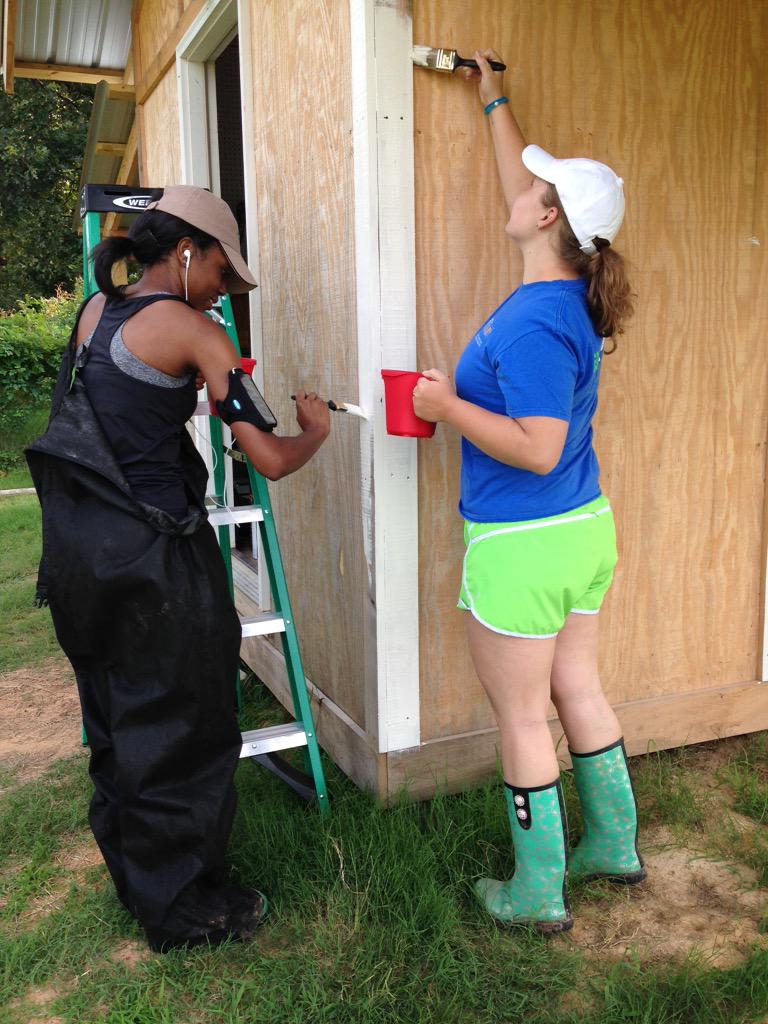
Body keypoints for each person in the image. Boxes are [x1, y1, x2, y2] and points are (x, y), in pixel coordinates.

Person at [26, 186, 331, 951]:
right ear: (190, 251)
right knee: (185, 728)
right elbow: (271, 459)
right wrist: (314, 431)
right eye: (225, 277)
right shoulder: (199, 333)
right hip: (157, 561)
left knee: (117, 719)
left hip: (82, 555)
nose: (225, 295)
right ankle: (184, 911)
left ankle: (137, 880)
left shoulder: (98, 312)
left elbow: (119, 407)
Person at [412, 53, 643, 933]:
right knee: (576, 687)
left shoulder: (538, 321)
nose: (517, 189)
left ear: (548, 217)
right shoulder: (566, 292)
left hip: (524, 538)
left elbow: (540, 450)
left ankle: (537, 891)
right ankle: (612, 846)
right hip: (581, 532)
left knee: (520, 715)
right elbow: (525, 181)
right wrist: (493, 100)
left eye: (535, 188)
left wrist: (446, 405)